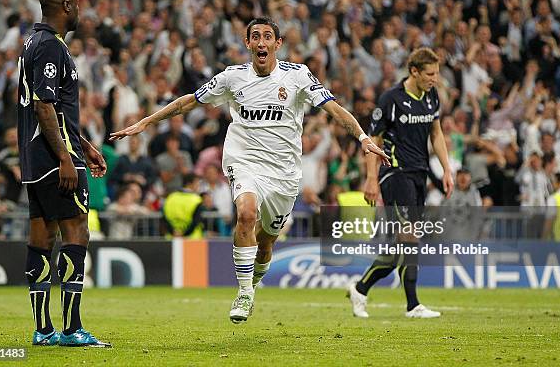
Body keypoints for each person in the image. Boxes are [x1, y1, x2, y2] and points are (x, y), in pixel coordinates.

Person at [111, 17, 390, 323]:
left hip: (284, 172)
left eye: (267, 36)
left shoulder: (297, 76)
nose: (261, 42)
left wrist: (363, 138)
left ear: (277, 44)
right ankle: (244, 292)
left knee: (267, 241)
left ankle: (253, 280)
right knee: (245, 213)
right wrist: (146, 122)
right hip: (244, 160)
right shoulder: (232, 77)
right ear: (247, 43)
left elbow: (334, 109)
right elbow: (189, 102)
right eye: (255, 36)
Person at [17, 0, 110, 347]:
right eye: (78, 4)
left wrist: (84, 145)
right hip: (55, 159)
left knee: (41, 238)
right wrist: (65, 158)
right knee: (77, 234)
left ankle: (43, 329)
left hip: (35, 158)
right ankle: (71, 329)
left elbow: (52, 108)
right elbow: (44, 105)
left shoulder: (32, 44)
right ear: (68, 6)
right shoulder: (52, 46)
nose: (81, 10)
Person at [348, 47, 454, 319]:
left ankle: (361, 288)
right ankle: (412, 305)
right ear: (414, 72)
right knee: (409, 236)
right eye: (430, 74)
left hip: (419, 174)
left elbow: (437, 133)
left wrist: (446, 169)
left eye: (437, 74)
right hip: (394, 173)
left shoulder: (431, 96)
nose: (435, 79)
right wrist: (371, 179)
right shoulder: (390, 99)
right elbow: (373, 142)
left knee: (403, 245)